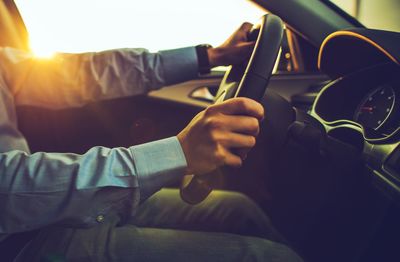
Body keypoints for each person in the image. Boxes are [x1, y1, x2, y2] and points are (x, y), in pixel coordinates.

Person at [0, 22, 302, 261]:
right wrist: (177, 153)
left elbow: (76, 74)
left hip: (49, 210)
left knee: (237, 210)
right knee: (270, 258)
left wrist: (209, 57)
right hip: (18, 244)